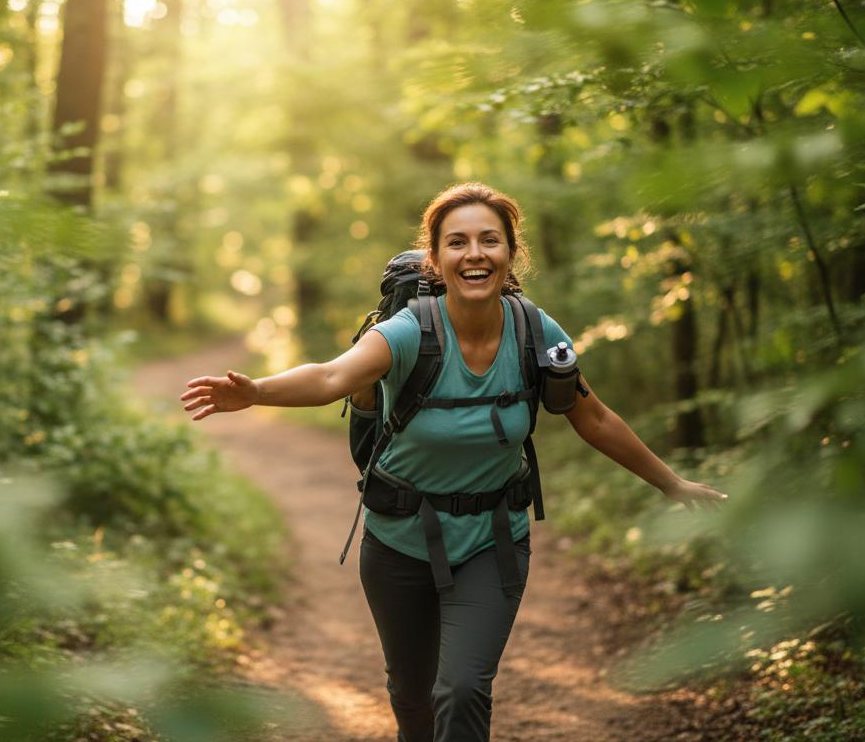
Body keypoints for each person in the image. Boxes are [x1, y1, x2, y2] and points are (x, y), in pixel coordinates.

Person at [178, 182, 727, 742]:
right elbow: (330, 376)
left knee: (462, 689)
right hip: (397, 541)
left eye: (490, 240)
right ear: (436, 260)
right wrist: (256, 393)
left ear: (511, 254)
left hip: (494, 539)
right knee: (412, 696)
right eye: (457, 242)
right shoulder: (410, 331)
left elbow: (595, 419)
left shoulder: (536, 332)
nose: (475, 254)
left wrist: (672, 483)